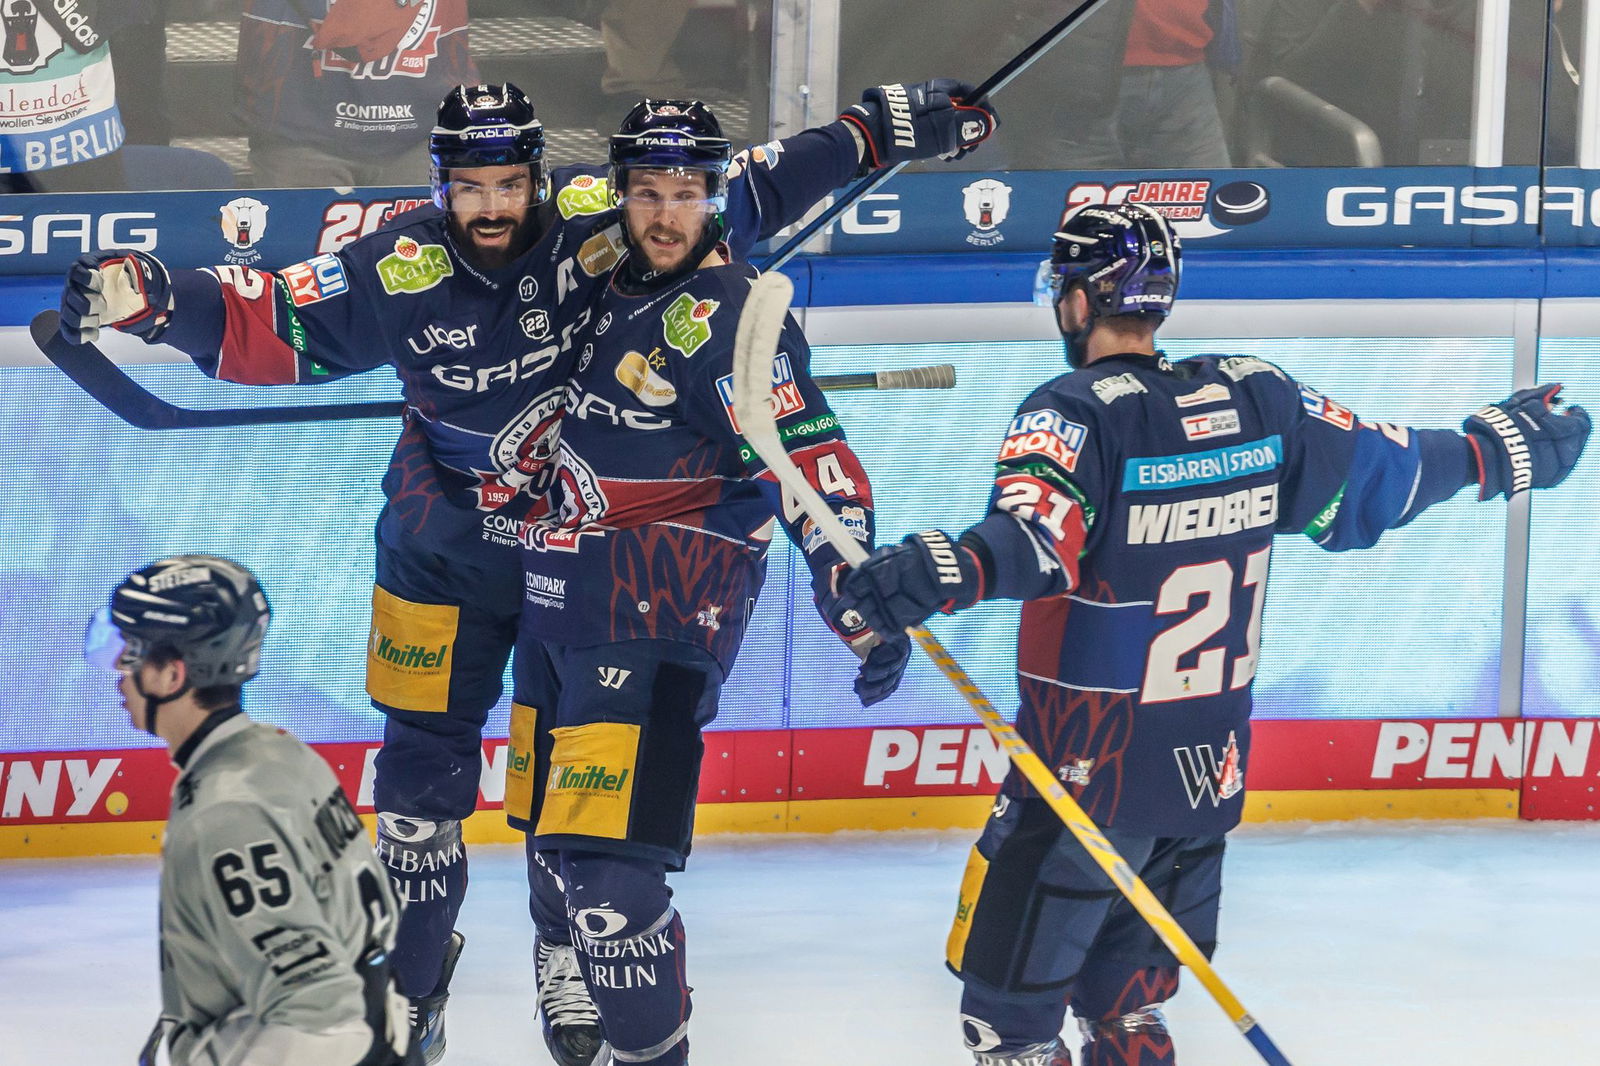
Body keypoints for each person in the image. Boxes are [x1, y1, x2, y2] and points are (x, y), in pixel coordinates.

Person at [55, 77, 996, 1065]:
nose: (493, 206)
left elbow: (744, 187)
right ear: (439, 184)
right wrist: (145, 293)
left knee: (565, 797)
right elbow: (274, 315)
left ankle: (565, 950)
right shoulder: (401, 264)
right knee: (415, 804)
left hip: (576, 558)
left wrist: (876, 130)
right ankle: (412, 997)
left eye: (510, 183)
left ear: (543, 176)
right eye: (470, 187)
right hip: (441, 547)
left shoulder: (604, 219)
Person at [826, 202, 1591, 1066]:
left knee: (1008, 1032)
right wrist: (1498, 449)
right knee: (1128, 1017)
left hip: (1081, 785)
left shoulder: (1074, 411)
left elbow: (1036, 543)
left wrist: (937, 569)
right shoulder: (1258, 395)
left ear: (1076, 300)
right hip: (1202, 783)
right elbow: (1390, 474)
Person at [506, 98, 920, 1066]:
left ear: (713, 199)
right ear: (619, 192)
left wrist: (852, 589)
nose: (665, 215)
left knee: (609, 879)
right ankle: (560, 950)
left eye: (686, 194)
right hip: (558, 588)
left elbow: (807, 456)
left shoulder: (733, 316)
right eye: (647, 193)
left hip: (663, 607)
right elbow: (780, 169)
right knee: (549, 822)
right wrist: (867, 131)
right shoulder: (594, 257)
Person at [84, 554, 416, 1066]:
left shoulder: (225, 813)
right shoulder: (279, 753)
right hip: (385, 1031)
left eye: (130, 656)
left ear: (172, 674)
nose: (118, 676)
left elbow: (321, 1017)